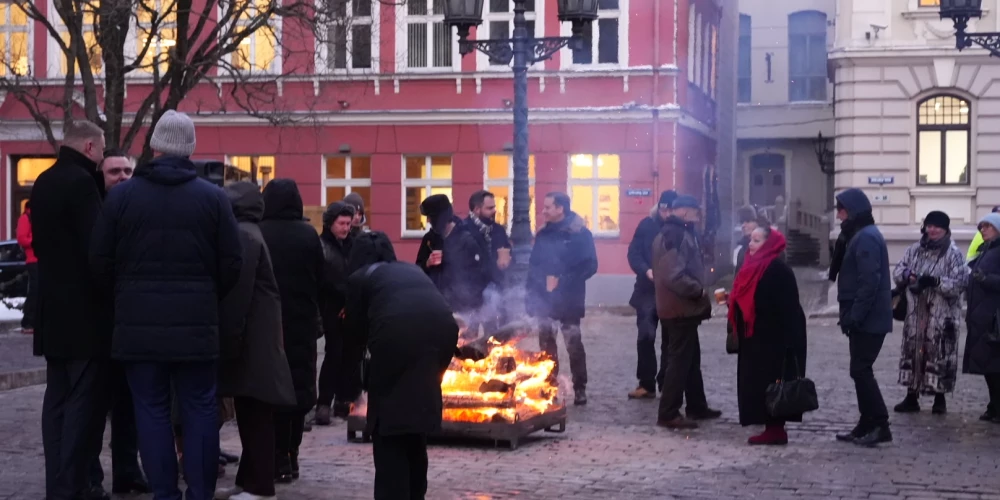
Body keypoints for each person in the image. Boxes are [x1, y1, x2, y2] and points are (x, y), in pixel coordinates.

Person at [89, 110, 243, 500]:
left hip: (137, 325)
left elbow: (100, 262)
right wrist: (206, 296)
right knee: (200, 410)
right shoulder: (213, 199)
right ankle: (201, 492)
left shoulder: (122, 197)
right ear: (190, 149)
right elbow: (232, 265)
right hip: (197, 325)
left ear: (154, 145)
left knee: (151, 412)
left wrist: (125, 298)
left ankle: (164, 493)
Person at [30, 120, 108, 500]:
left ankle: (55, 484)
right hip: (83, 317)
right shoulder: (83, 184)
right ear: (90, 148)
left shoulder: (43, 181)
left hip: (52, 312)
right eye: (103, 150)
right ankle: (71, 485)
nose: (104, 158)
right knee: (80, 403)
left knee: (55, 401)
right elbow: (97, 251)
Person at [344, 259, 459, 500]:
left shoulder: (359, 278)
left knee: (388, 425)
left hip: (394, 335)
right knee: (415, 423)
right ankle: (416, 493)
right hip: (444, 329)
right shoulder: (409, 269)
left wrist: (352, 385)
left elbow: (354, 335)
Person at [214, 182, 297, 500]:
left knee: (256, 415)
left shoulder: (244, 235)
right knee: (253, 412)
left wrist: (229, 338)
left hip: (254, 340)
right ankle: (248, 481)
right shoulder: (250, 231)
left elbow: (238, 294)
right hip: (259, 337)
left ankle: (260, 487)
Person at [87, 149, 148, 499]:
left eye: (127, 171)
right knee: (96, 407)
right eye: (114, 172)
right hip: (99, 325)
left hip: (131, 323)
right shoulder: (95, 210)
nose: (122, 177)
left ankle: (128, 471)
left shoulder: (138, 210)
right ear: (101, 175)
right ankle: (92, 476)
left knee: (129, 406)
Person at [258, 179, 324, 483]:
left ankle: (274, 457)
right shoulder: (308, 235)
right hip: (301, 323)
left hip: (267, 324)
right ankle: (291, 456)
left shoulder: (259, 232)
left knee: (269, 393)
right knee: (297, 393)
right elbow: (320, 279)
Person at [729, 227, 808, 445]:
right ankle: (767, 424)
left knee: (773, 381)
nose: (751, 245)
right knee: (756, 382)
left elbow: (785, 306)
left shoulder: (777, 269)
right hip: (756, 336)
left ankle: (775, 428)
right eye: (750, 240)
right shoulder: (751, 266)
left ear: (769, 243)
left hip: (774, 338)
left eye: (757, 240)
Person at [830, 188, 893, 447]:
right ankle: (867, 422)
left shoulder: (865, 237)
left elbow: (869, 282)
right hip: (862, 318)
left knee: (861, 370)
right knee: (859, 371)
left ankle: (880, 424)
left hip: (868, 319)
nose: (838, 214)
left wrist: (855, 316)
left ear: (853, 210)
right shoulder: (858, 234)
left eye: (841, 209)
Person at [652, 194, 720, 429]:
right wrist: (698, 290)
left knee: (690, 359)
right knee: (679, 361)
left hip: (681, 307)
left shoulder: (680, 231)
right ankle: (668, 412)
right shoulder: (674, 234)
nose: (699, 216)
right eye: (696, 211)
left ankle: (696, 405)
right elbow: (673, 274)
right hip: (679, 306)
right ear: (683, 212)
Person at [891, 211, 967, 415]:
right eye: (929, 226)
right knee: (913, 352)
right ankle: (911, 396)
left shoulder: (953, 253)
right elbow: (898, 270)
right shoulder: (914, 250)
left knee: (939, 355)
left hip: (941, 316)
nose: (932, 230)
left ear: (945, 230)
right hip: (915, 314)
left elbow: (960, 283)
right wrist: (907, 275)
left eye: (937, 227)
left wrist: (935, 282)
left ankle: (939, 399)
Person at [526, 192, 598, 406]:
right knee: (547, 345)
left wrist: (563, 280)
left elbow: (591, 266)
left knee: (573, 343)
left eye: (548, 207)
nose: (543, 210)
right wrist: (531, 297)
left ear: (560, 209)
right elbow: (534, 267)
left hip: (569, 299)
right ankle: (549, 384)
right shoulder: (543, 234)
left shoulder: (580, 234)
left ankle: (580, 387)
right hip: (544, 300)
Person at [626, 190, 676, 400]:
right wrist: (645, 270)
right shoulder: (646, 225)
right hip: (647, 291)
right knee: (645, 338)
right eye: (663, 209)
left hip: (672, 292)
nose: (665, 213)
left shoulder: (678, 228)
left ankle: (666, 382)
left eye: (669, 209)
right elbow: (633, 253)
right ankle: (646, 383)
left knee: (669, 341)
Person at [316, 202, 360, 425]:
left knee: (351, 356)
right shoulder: (321, 246)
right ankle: (324, 401)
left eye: (348, 224)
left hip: (351, 307)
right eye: (341, 223)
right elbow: (322, 279)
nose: (345, 228)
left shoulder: (355, 246)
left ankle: (344, 401)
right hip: (331, 308)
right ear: (330, 223)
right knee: (334, 354)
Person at [415, 194, 491, 319]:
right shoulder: (429, 239)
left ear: (440, 217)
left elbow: (480, 274)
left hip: (463, 309)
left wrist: (472, 307)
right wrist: (427, 263)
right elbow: (418, 269)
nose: (428, 221)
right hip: (436, 306)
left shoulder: (468, 238)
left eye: (430, 217)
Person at [965, 212, 1000, 423]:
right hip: (980, 316)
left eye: (988, 226)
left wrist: (986, 279)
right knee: (988, 366)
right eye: (981, 226)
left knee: (996, 367)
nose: (983, 230)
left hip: (994, 317)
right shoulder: (985, 249)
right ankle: (993, 406)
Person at [463, 190, 512, 338]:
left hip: (494, 292)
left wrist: (507, 261)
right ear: (477, 209)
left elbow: (507, 251)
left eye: (494, 207)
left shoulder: (498, 230)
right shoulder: (463, 230)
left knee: (492, 338)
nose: (494, 211)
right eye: (489, 208)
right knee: (467, 338)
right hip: (470, 294)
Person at [15, 202, 37, 335]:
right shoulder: (25, 218)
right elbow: (22, 239)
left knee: (39, 292)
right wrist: (37, 240)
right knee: (35, 291)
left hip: (41, 259)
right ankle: (28, 322)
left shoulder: (36, 217)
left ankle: (33, 321)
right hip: (33, 260)